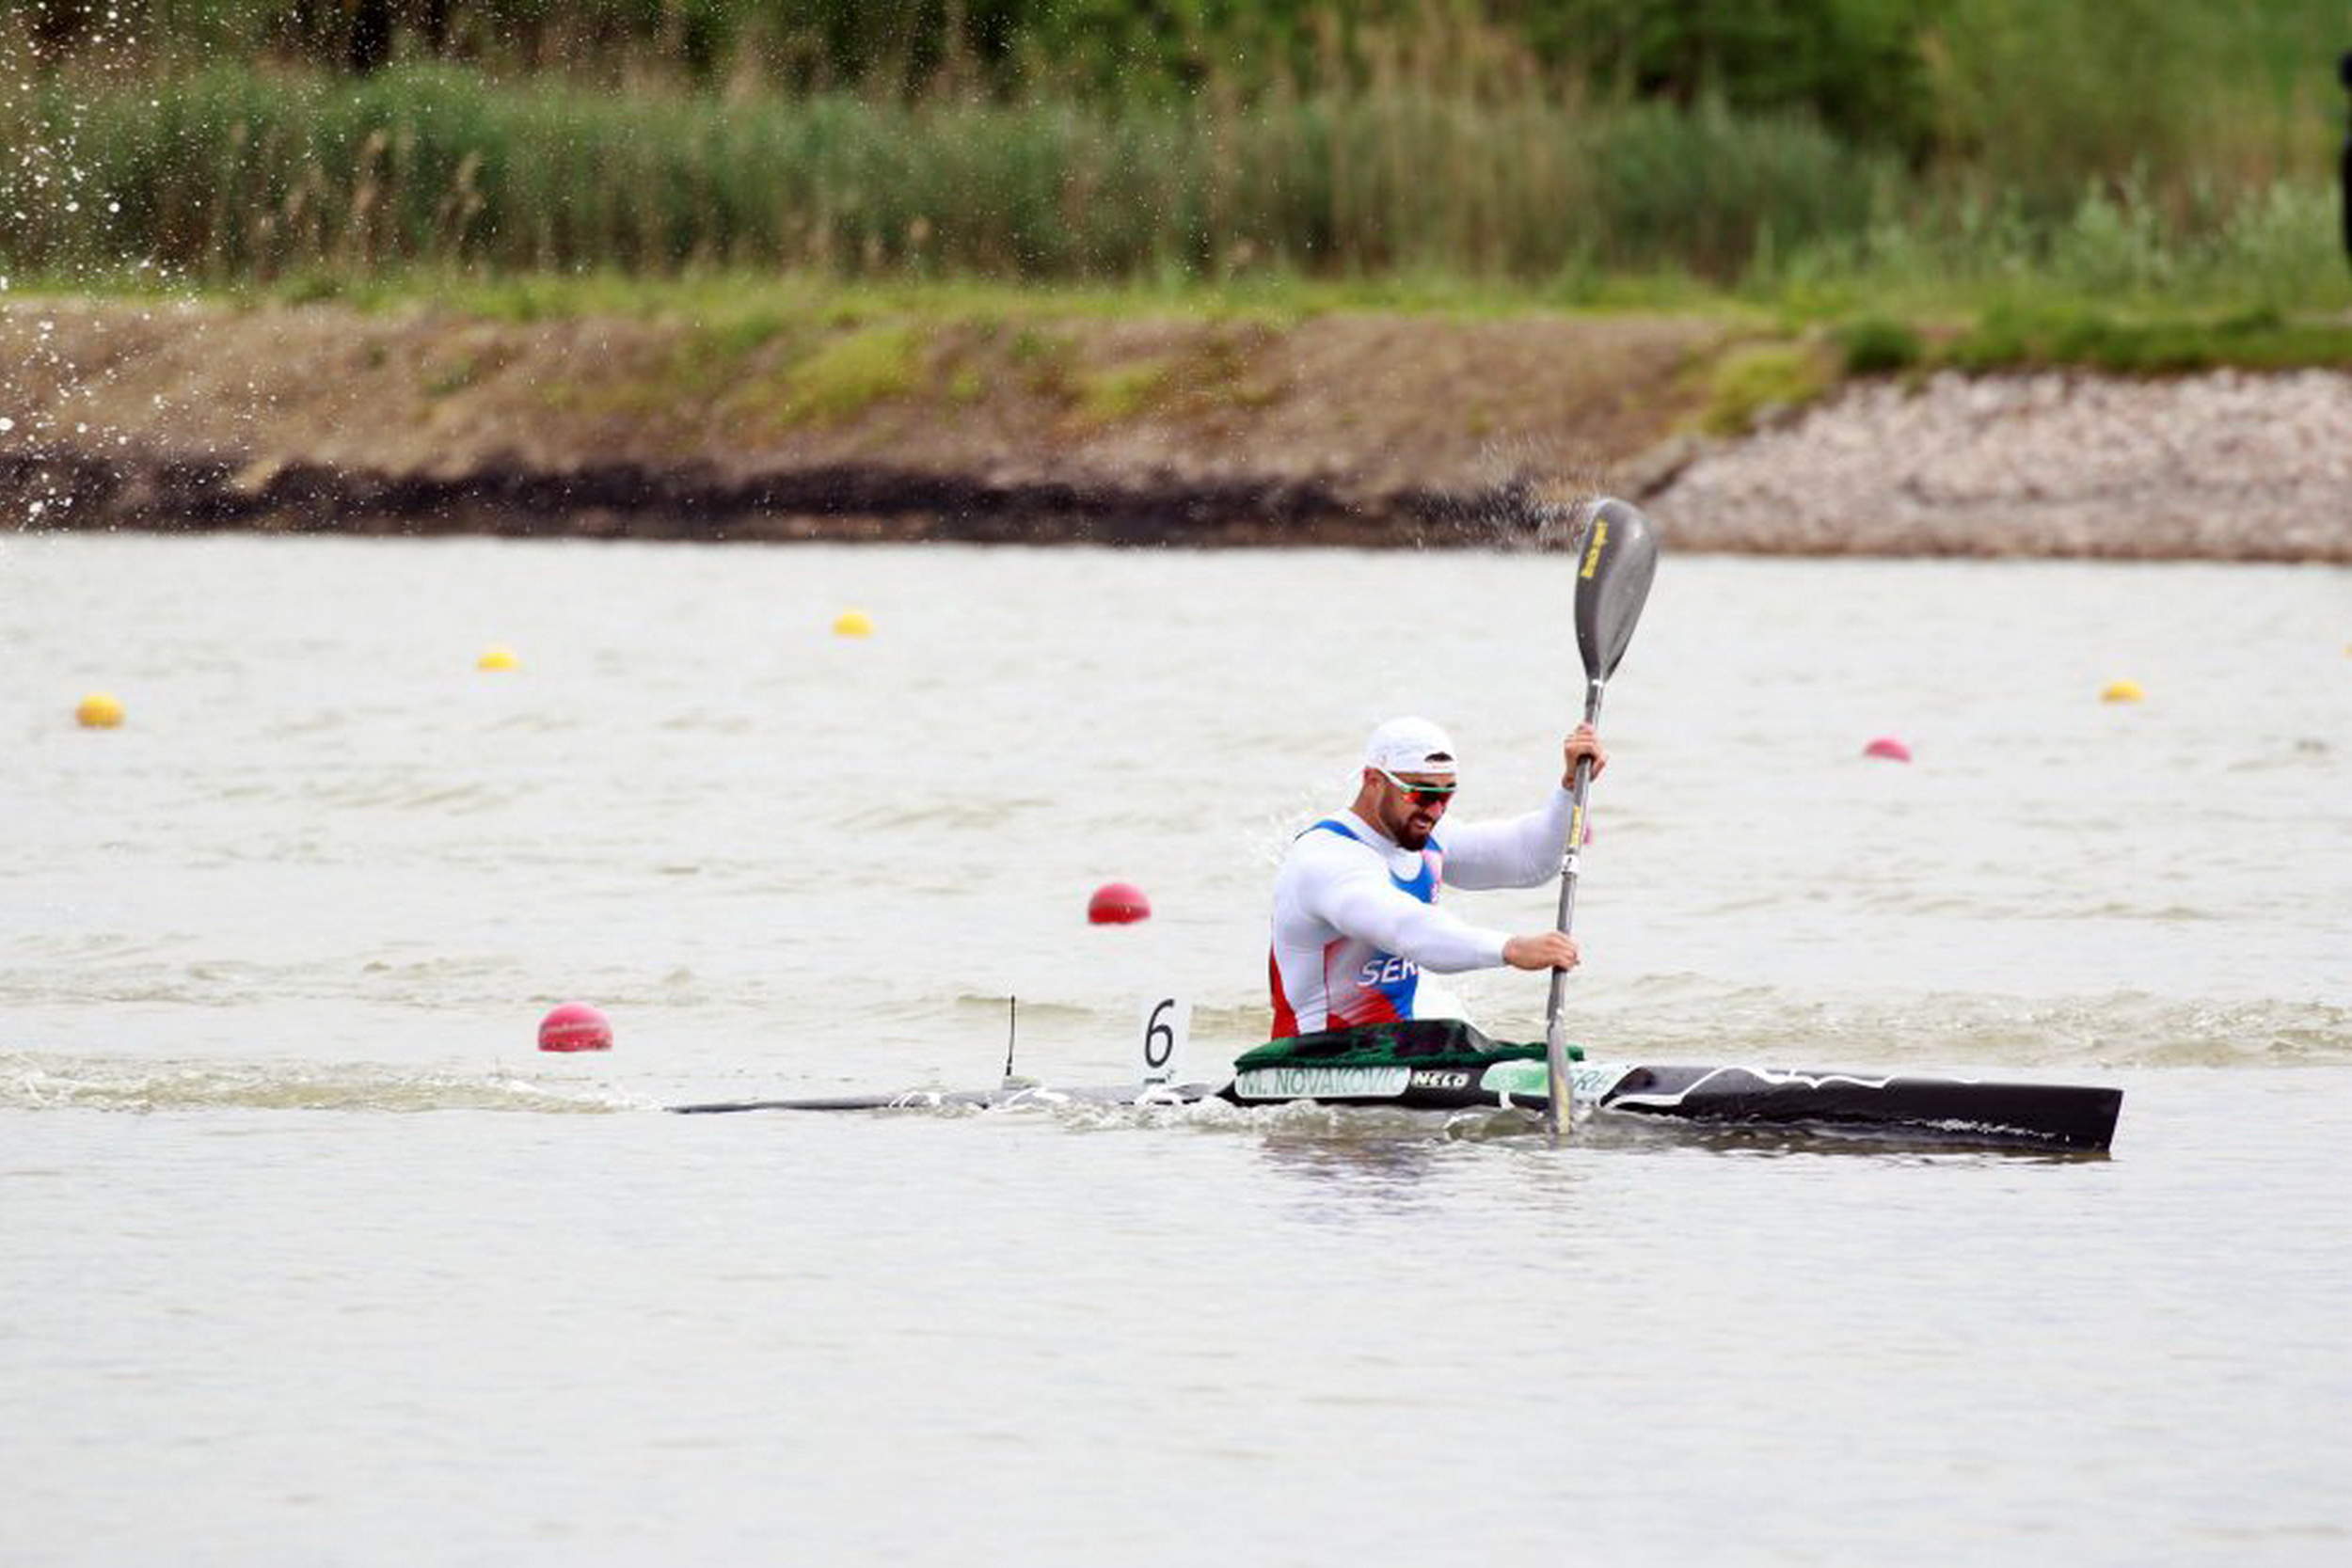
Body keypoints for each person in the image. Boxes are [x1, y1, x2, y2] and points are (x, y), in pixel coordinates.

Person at [1267, 714, 1608, 1038]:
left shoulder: (1428, 835)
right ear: (1372, 781)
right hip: (1311, 1062)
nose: (1435, 811)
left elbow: (1529, 857)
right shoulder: (1326, 859)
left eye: (1446, 795)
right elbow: (1405, 929)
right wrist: (1511, 948)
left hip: (1393, 1052)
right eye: (1422, 794)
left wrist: (1569, 788)